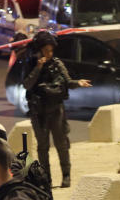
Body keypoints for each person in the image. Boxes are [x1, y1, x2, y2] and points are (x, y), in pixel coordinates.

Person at [21, 30, 90, 188]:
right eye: (46, 50)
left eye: (51, 50)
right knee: (43, 147)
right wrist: (38, 68)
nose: (49, 53)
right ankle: (46, 179)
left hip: (56, 110)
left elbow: (68, 82)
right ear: (39, 50)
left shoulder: (57, 64)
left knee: (61, 144)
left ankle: (66, 175)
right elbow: (26, 84)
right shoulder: (31, 64)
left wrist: (78, 83)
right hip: (39, 113)